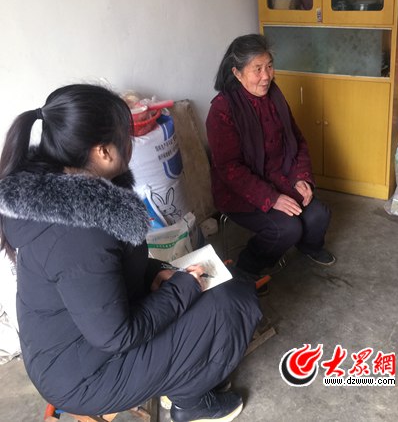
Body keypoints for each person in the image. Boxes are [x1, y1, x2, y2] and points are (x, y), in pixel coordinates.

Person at [0, 84, 262, 421]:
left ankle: (190, 370)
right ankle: (190, 402)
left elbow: (104, 270)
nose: (131, 144)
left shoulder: (59, 196)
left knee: (223, 284)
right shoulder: (79, 230)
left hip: (80, 346)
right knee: (233, 300)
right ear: (103, 152)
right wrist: (183, 288)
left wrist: (154, 273)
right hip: (84, 377)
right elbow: (116, 335)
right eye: (127, 137)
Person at [206, 34, 335, 290]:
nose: (266, 76)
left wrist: (301, 178)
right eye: (257, 69)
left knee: (318, 215)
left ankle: (308, 247)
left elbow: (296, 140)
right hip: (242, 192)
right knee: (287, 228)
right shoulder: (222, 109)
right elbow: (230, 169)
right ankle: (247, 267)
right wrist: (271, 198)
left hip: (282, 178)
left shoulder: (273, 94)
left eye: (269, 66)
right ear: (237, 73)